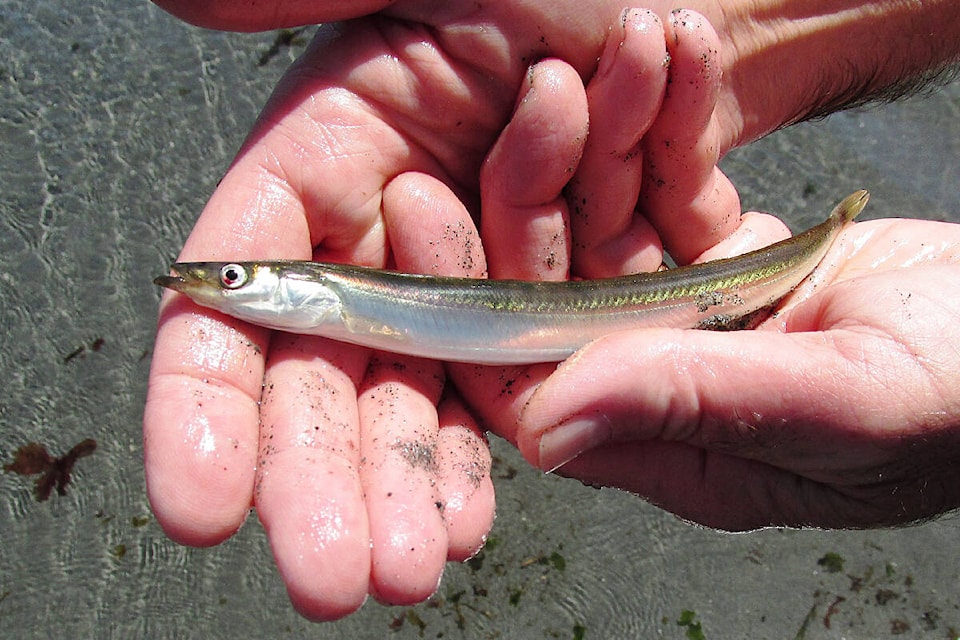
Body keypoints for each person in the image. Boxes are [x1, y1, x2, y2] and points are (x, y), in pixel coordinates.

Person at [145, 0, 960, 622]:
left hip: (699, 285)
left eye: (236, 277)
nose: (220, 284)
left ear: (300, 286)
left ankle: (825, 235)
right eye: (230, 278)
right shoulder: (335, 306)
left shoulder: (333, 299)